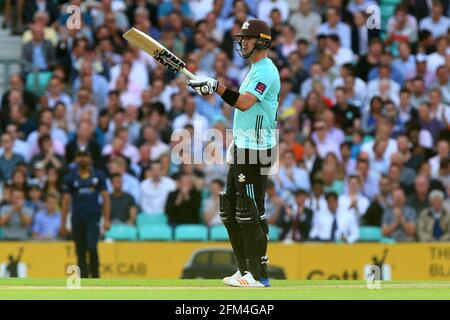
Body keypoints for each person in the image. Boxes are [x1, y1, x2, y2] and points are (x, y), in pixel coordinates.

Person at [186, 19, 280, 287]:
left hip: (257, 149)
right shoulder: (252, 70)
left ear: (262, 41)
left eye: (248, 38)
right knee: (229, 208)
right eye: (242, 38)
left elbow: (245, 103)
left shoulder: (266, 72)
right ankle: (243, 270)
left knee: (251, 211)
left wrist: (215, 87)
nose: (242, 42)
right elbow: (241, 109)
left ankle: (259, 275)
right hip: (243, 145)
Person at [60, 147, 111, 278]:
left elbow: (105, 197)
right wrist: (62, 223)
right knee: (80, 249)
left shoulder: (98, 175)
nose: (82, 159)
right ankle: (83, 279)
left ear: (90, 158)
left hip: (93, 216)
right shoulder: (70, 177)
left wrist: (106, 219)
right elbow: (65, 201)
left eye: (85, 155)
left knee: (92, 246)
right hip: (77, 216)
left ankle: (95, 276)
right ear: (76, 158)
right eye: (79, 156)